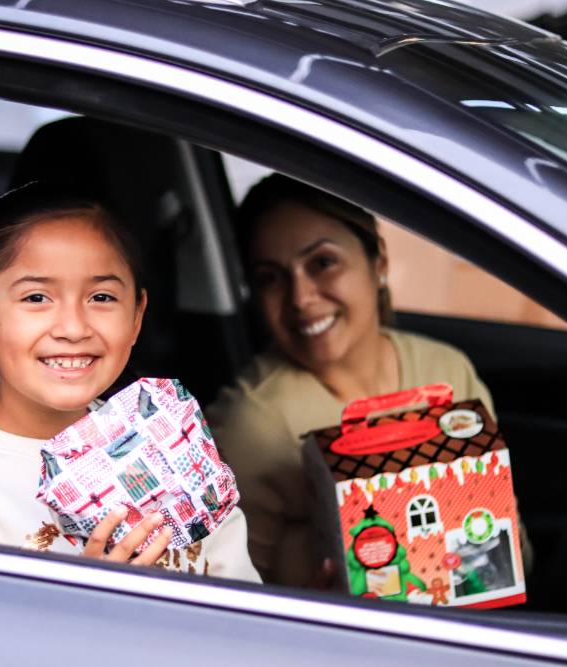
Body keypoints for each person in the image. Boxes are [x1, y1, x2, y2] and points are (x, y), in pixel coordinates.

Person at [0, 182, 260, 582]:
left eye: (101, 297)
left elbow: (244, 597)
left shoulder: (169, 441)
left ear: (136, 317)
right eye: (36, 298)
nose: (72, 328)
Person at [205, 173, 530, 587]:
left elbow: (509, 543)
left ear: (378, 262)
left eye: (322, 263)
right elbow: (233, 595)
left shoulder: (445, 370)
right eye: (271, 277)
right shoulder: (252, 424)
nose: (300, 298)